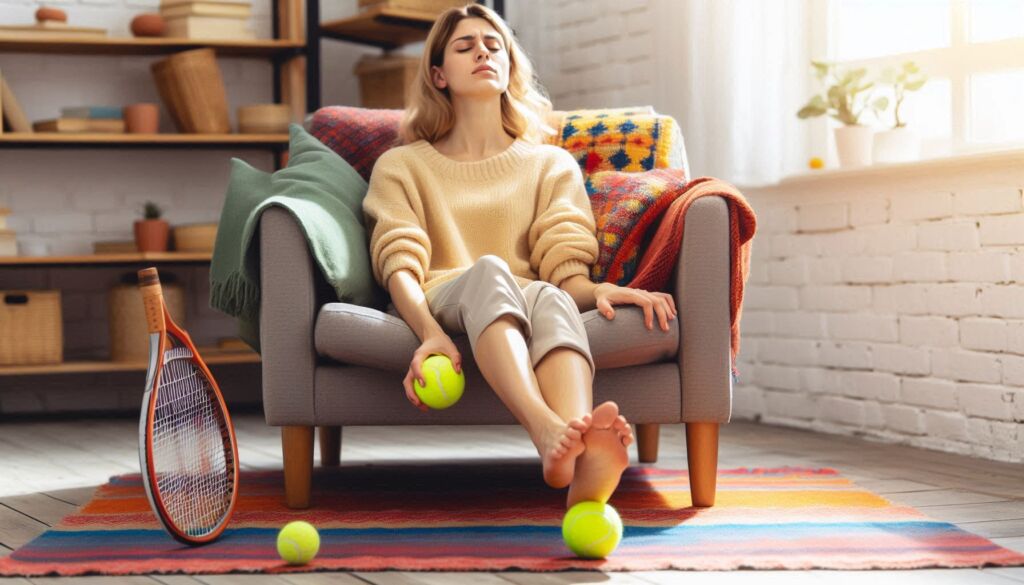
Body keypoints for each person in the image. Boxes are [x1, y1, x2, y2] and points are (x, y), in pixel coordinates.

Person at [361, 3, 676, 508]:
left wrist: (601, 290)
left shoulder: (550, 164)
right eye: (465, 46)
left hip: (526, 296)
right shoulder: (401, 165)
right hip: (444, 290)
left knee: (550, 297)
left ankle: (577, 452)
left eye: (494, 45)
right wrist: (432, 335)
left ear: (510, 67)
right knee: (490, 269)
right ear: (439, 75)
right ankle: (544, 428)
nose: (483, 52)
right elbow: (398, 263)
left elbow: (565, 270)